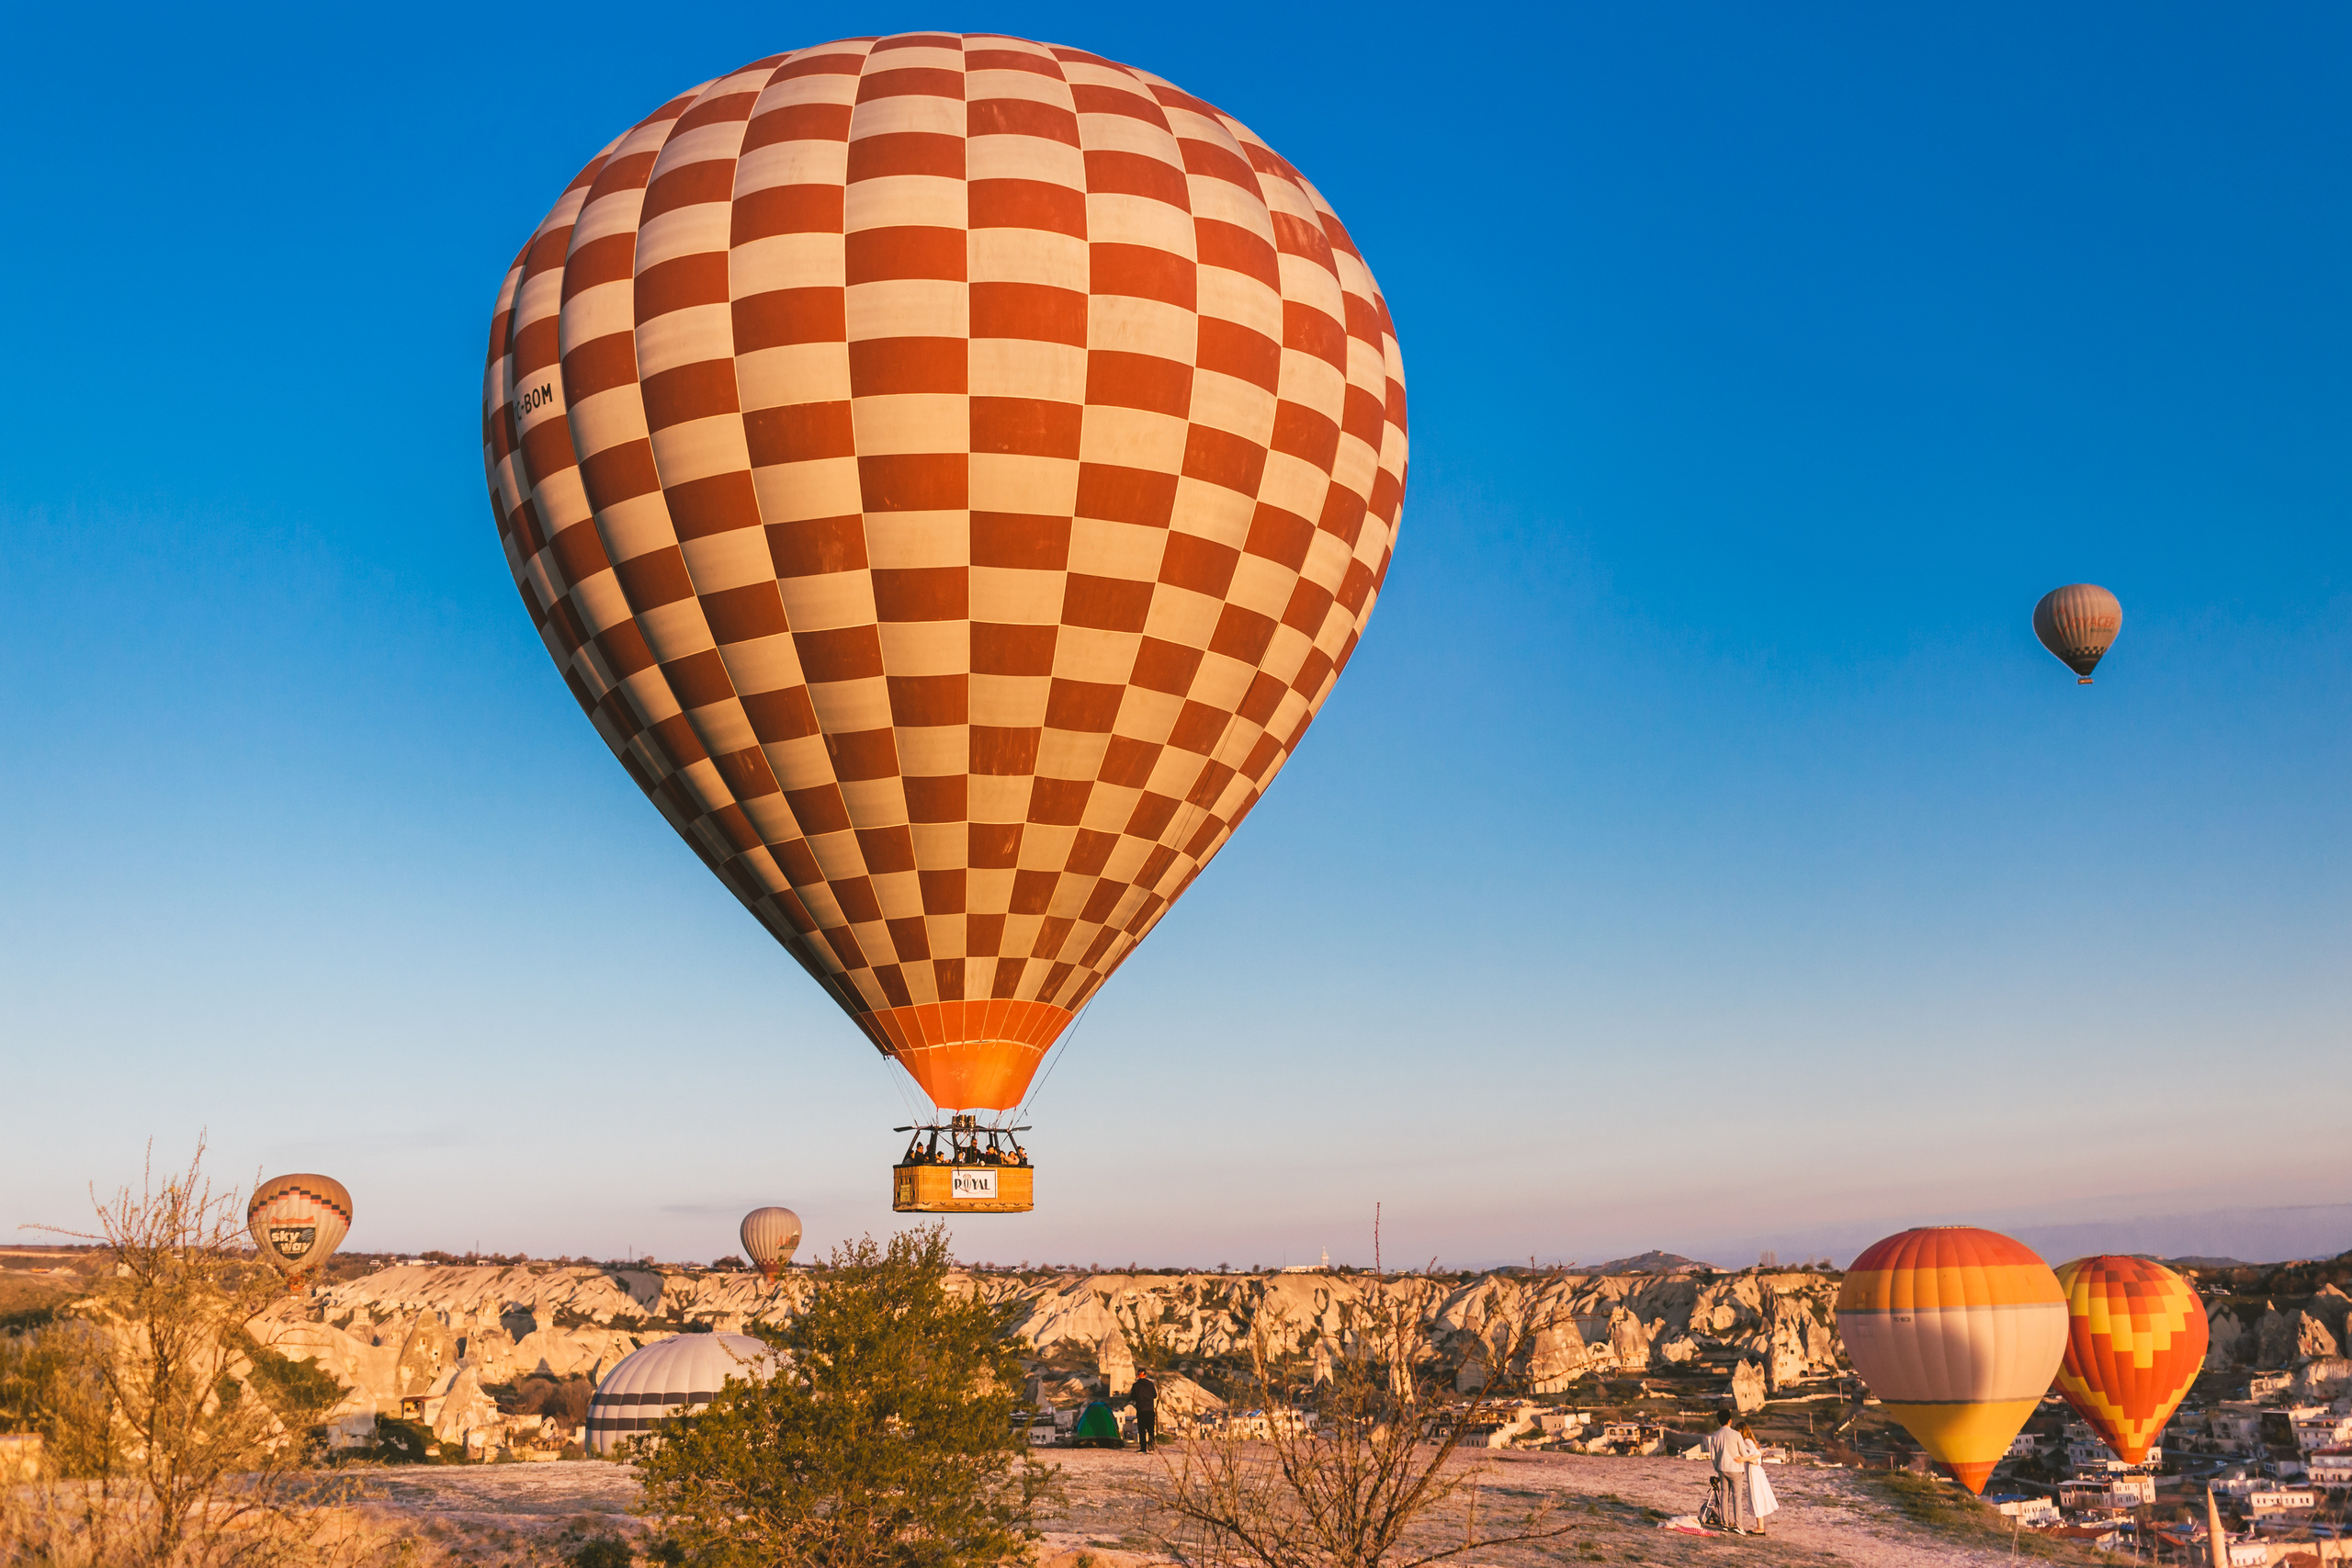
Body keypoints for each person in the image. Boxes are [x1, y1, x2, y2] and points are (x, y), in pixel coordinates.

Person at [1702, 1410, 1757, 1533]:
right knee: (1737, 1497)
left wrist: (1717, 1467)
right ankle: (1738, 1526)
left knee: (1724, 1496)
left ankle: (1725, 1523)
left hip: (1722, 1468)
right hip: (1736, 1469)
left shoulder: (1715, 1435)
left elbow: (1713, 1456)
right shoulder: (1736, 1435)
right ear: (1730, 1420)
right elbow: (1743, 1453)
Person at [1736, 1421, 1778, 1534]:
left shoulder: (1746, 1441)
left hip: (1755, 1471)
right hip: (1754, 1471)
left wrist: (1743, 1459)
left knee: (1756, 1497)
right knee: (1757, 1497)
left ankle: (1760, 1528)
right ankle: (1760, 1526)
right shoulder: (1748, 1441)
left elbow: (1757, 1455)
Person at [1128, 1369, 1159, 1454]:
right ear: (1145, 1375)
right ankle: (1152, 1447)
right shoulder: (1150, 1384)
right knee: (1151, 1430)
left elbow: (1132, 1397)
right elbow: (1155, 1396)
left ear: (1138, 1375)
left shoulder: (1135, 1385)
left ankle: (1143, 1448)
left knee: (1142, 1430)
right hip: (1150, 1409)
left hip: (1141, 1410)